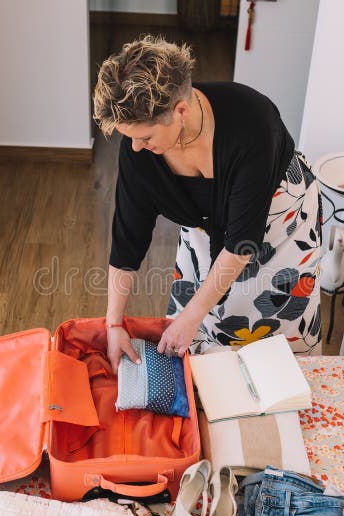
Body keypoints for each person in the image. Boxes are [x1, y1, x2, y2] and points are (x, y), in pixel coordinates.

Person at [93, 35, 322, 373]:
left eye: (145, 137)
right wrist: (114, 325)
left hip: (281, 223)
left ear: (180, 111)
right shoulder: (139, 151)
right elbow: (128, 239)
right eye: (131, 138)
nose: (136, 148)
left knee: (271, 326)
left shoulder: (252, 124)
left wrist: (192, 315)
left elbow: (241, 244)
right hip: (205, 224)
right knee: (196, 327)